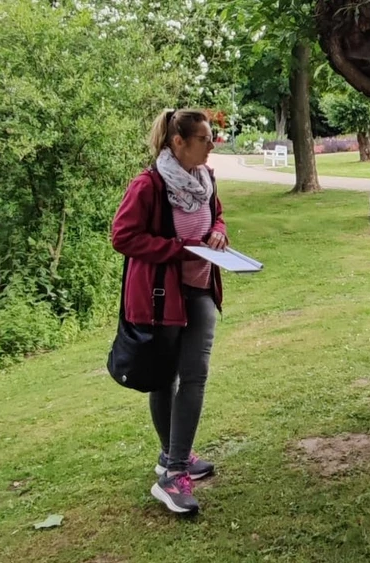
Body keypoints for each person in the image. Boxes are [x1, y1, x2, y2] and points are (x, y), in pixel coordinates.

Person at [111, 109, 228, 515]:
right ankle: (172, 467)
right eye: (204, 139)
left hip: (201, 289)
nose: (212, 145)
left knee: (194, 375)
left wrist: (218, 232)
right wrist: (176, 250)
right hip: (163, 297)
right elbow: (123, 236)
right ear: (178, 142)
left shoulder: (205, 179)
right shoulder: (149, 185)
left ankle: (175, 461)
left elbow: (217, 217)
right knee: (165, 378)